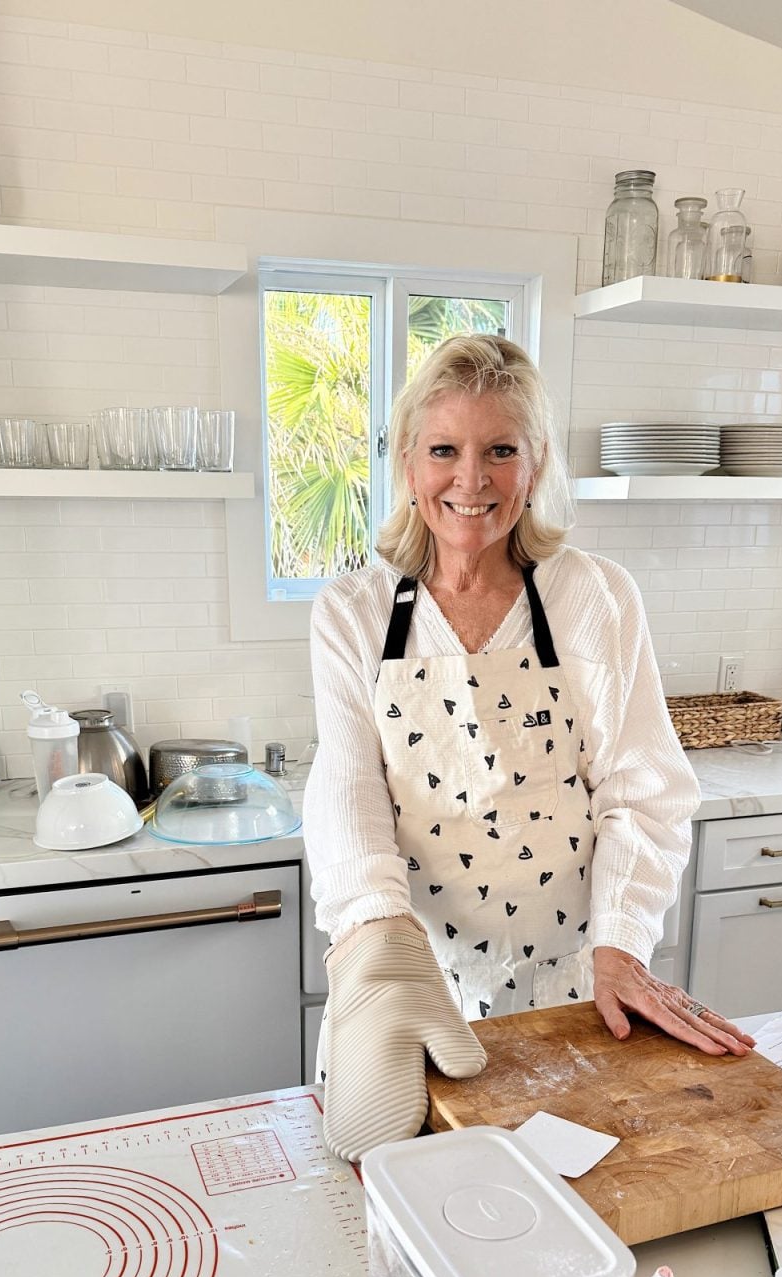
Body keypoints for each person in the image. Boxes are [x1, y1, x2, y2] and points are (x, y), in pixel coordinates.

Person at [303, 334, 753, 1162]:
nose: (470, 480)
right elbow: (346, 784)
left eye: (500, 451)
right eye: (444, 450)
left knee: (572, 1200)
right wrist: (375, 937)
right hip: (409, 982)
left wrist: (620, 940)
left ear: (536, 464)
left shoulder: (594, 596)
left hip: (571, 987)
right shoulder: (354, 611)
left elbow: (644, 788)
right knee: (400, 1195)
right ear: (409, 465)